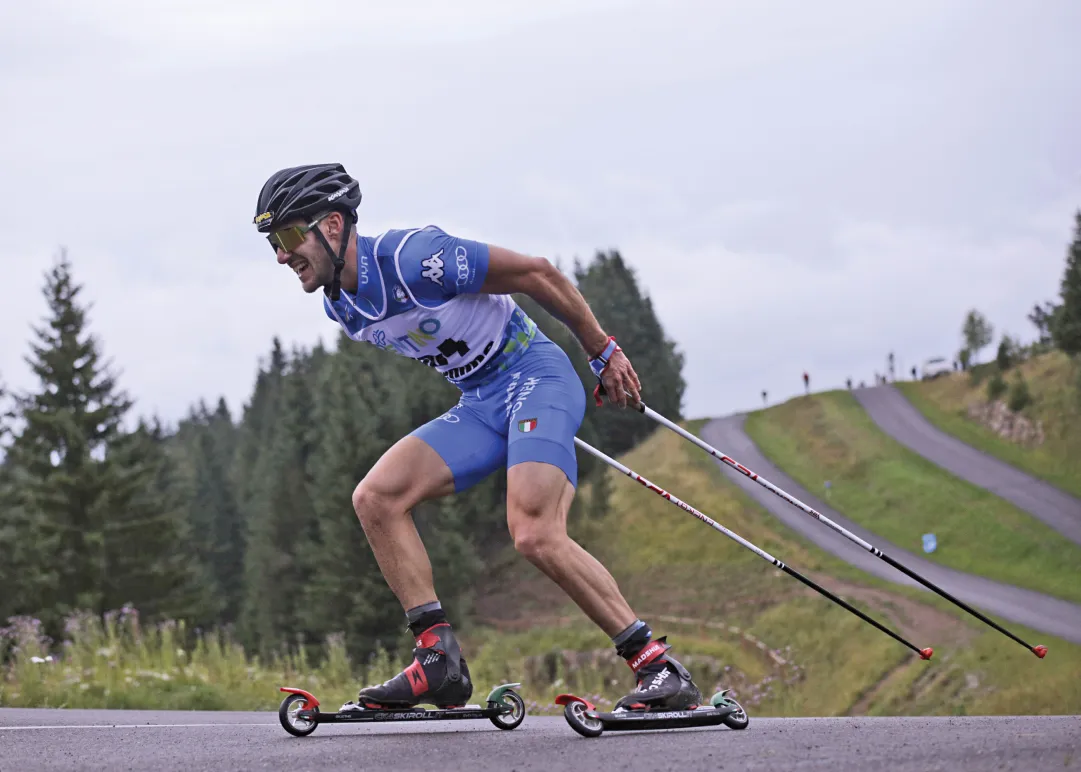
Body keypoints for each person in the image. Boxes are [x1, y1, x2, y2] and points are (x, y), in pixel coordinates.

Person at [252, 163, 703, 712]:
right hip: (481, 403)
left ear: (332, 225)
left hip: (537, 377)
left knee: (533, 532)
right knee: (376, 498)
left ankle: (656, 665)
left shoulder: (413, 258)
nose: (281, 254)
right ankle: (437, 661)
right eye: (274, 242)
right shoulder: (340, 306)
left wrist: (602, 351)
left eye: (289, 236)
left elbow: (537, 274)